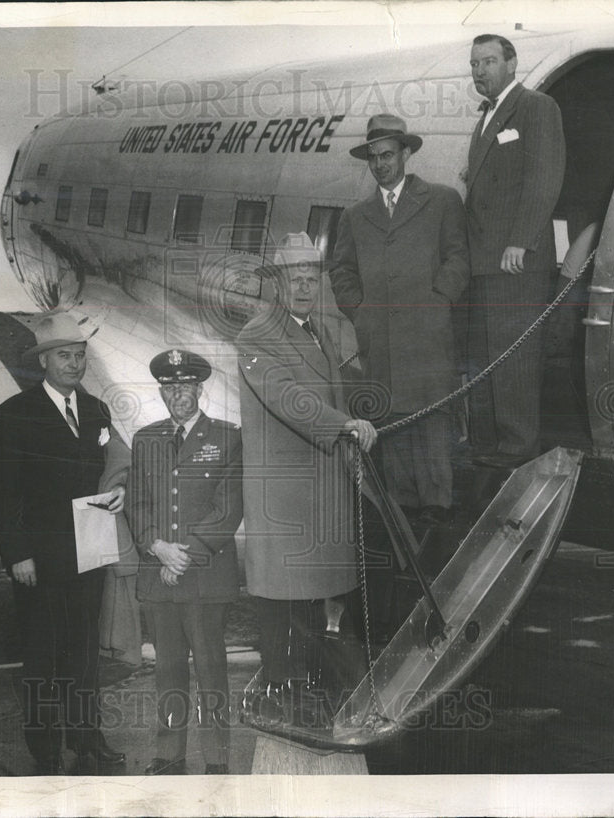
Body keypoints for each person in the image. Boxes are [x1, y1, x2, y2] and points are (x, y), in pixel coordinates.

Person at [236, 234, 377, 723]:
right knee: (286, 612)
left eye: (309, 278)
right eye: (292, 279)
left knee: (315, 612)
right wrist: (343, 426)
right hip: (288, 502)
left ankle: (311, 708)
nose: (302, 287)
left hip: (321, 492)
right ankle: (285, 708)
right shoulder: (256, 335)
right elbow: (287, 397)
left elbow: (334, 390)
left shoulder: (318, 328)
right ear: (275, 283)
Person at [0, 310, 127, 775]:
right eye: (65, 355)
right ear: (44, 361)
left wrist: (120, 487)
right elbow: (1, 491)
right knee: (42, 653)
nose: (75, 364)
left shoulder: (96, 411)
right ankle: (44, 747)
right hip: (39, 559)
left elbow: (112, 466)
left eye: (80, 355)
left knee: (84, 654)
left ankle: (88, 739)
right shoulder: (13, 414)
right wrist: (18, 553)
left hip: (89, 550)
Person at [330, 113, 470, 527]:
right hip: (382, 342)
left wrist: (438, 300)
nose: (380, 165)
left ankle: (437, 510)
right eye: (373, 157)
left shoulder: (442, 201)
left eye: (388, 155)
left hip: (428, 340)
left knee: (431, 421)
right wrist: (360, 312)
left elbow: (459, 257)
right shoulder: (356, 216)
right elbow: (341, 272)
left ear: (406, 153)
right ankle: (404, 513)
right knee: (391, 423)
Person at [129, 349, 243, 775]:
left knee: (212, 670)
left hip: (205, 578)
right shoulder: (146, 439)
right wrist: (156, 547)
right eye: (171, 387)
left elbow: (227, 509)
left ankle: (216, 757)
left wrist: (183, 556)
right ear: (162, 391)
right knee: (168, 669)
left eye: (186, 386)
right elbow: (137, 504)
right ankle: (169, 753)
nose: (179, 394)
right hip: (158, 573)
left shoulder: (227, 438)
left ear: (199, 388)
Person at [465, 33, 566, 468]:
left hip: (514, 260)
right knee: (487, 355)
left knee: (514, 358)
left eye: (488, 61)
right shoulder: (486, 116)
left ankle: (516, 449)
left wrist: (520, 241)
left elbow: (545, 177)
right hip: (484, 260)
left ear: (512, 63)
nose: (480, 70)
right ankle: (489, 445)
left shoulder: (535, 107)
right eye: (474, 64)